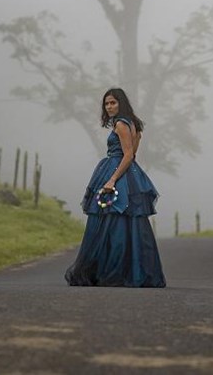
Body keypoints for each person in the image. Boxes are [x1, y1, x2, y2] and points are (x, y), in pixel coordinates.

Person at [65, 88, 166, 287]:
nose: (109, 107)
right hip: (128, 173)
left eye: (113, 102)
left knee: (111, 221)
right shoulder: (133, 124)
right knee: (128, 223)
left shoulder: (121, 124)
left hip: (117, 171)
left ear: (121, 103)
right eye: (106, 103)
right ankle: (132, 271)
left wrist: (112, 180)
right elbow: (133, 153)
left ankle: (112, 272)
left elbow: (128, 155)